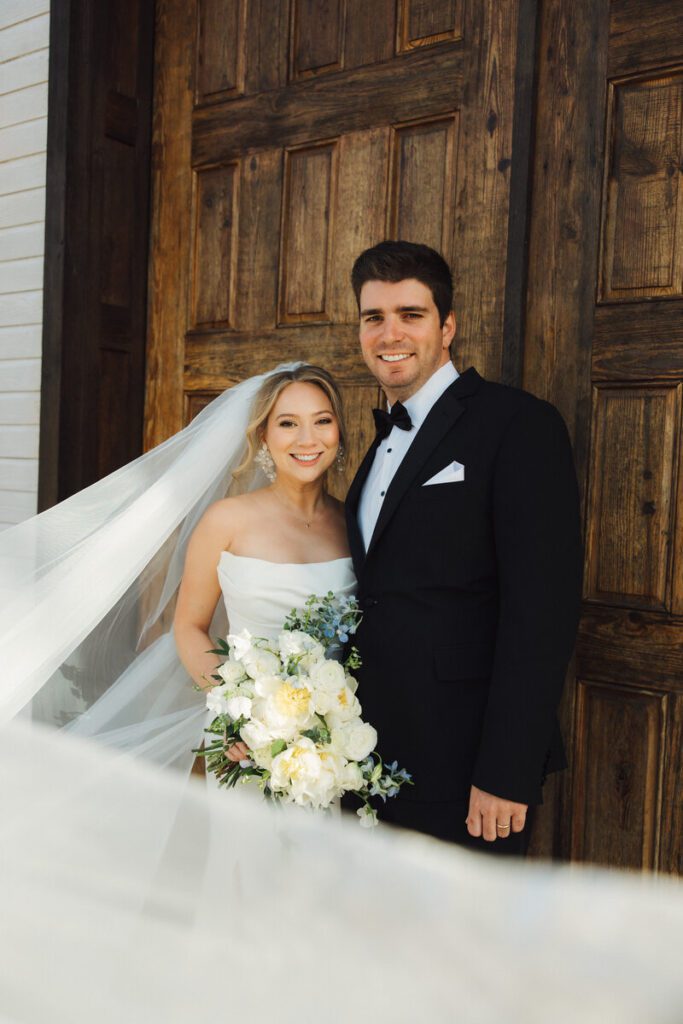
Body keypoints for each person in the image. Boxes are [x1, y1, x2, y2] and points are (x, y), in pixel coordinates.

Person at [344, 240, 583, 855]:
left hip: (468, 767)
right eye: (374, 317)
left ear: (447, 327)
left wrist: (506, 769)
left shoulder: (518, 426)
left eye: (411, 315)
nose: (389, 333)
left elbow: (542, 612)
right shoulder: (374, 447)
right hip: (367, 758)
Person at [173, 364, 356, 765]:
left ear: (338, 431)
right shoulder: (226, 520)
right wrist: (231, 711)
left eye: (322, 421)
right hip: (247, 742)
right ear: (263, 436)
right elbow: (188, 625)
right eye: (288, 423)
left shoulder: (354, 525)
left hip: (333, 745)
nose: (308, 439)